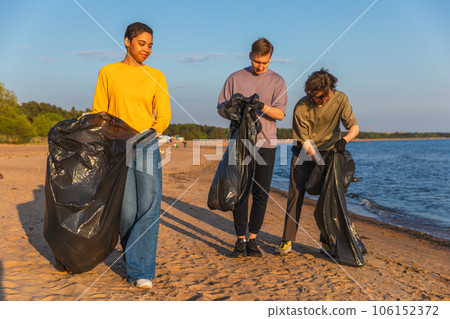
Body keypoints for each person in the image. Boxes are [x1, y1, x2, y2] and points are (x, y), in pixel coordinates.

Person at [92, 22, 171, 288]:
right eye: (141, 44)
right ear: (127, 41)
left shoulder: (156, 75)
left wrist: (151, 133)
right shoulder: (108, 72)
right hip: (116, 146)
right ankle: (133, 257)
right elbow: (99, 112)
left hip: (146, 143)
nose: (146, 50)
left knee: (149, 207)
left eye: (150, 45)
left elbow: (163, 115)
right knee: (125, 212)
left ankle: (141, 271)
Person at [275, 68, 359, 255]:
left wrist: (343, 141)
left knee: (329, 196)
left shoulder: (341, 99)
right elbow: (306, 142)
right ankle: (287, 240)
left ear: (330, 89)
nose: (320, 101)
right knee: (295, 194)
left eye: (323, 96)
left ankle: (327, 242)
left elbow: (354, 127)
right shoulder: (301, 107)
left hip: (330, 150)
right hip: (305, 150)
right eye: (316, 97)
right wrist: (319, 163)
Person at [217, 38, 287, 257]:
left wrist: (260, 105)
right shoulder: (235, 78)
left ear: (270, 59)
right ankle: (239, 240)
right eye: (257, 61)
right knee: (239, 192)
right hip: (240, 143)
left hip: (266, 144)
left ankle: (252, 240)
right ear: (250, 56)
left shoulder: (277, 81)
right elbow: (220, 107)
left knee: (260, 194)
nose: (260, 67)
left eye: (265, 63)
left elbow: (280, 114)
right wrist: (232, 109)